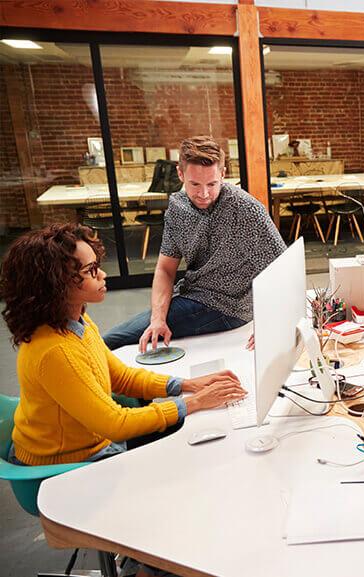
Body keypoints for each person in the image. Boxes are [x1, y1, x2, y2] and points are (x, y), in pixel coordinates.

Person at [0, 224, 247, 466]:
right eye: (91, 270)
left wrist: (186, 385)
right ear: (54, 285)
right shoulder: (55, 351)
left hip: (95, 443)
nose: (102, 274)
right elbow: (115, 424)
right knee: (192, 458)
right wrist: (195, 402)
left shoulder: (77, 321)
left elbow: (119, 377)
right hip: (65, 462)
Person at [102, 136, 286, 352]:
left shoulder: (245, 209)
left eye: (212, 184)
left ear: (223, 174)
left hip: (228, 306)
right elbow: (165, 269)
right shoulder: (178, 209)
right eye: (195, 184)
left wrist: (274, 323)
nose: (204, 193)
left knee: (111, 340)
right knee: (131, 334)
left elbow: (283, 268)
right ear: (180, 174)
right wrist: (158, 319)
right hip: (191, 292)